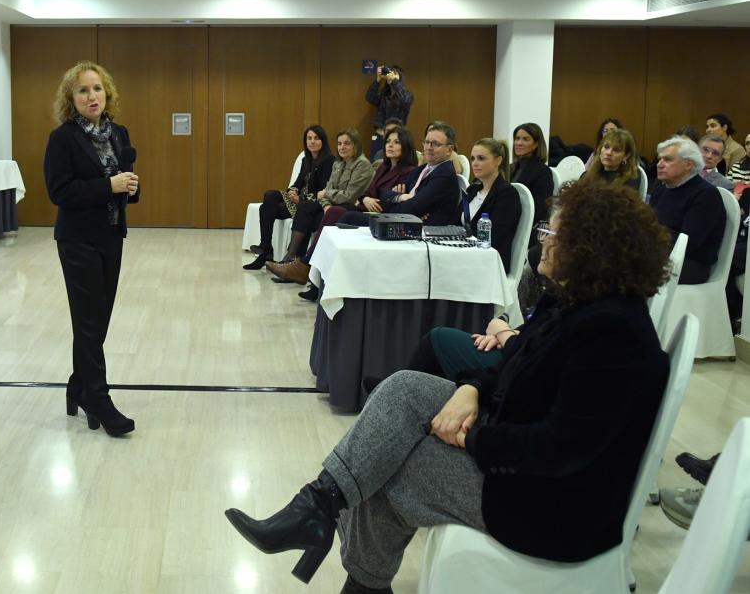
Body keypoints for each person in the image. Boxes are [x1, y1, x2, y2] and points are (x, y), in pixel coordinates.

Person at [224, 182, 671, 593]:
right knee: (404, 388)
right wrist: (472, 389)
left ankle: (347, 562)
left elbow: (560, 448)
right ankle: (318, 507)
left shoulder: (613, 335)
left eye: (552, 231)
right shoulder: (580, 304)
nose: (544, 238)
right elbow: (513, 364)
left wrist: (472, 437)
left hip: (558, 509)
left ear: (588, 247)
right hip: (528, 464)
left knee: (391, 470)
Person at [44, 61, 140, 437]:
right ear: (72, 98)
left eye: (97, 88)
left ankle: (77, 385)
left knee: (97, 322)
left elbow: (123, 183)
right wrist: (109, 187)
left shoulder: (119, 133)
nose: (91, 96)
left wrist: (131, 187)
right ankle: (97, 397)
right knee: (88, 322)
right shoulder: (63, 138)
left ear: (107, 92)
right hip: (77, 239)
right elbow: (60, 192)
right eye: (82, 90)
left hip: (112, 236)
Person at [273, 127, 418, 296]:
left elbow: (375, 198)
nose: (390, 145)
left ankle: (305, 266)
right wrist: (365, 199)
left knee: (331, 212)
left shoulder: (408, 171)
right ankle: (309, 275)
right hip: (362, 207)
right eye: (388, 141)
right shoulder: (383, 167)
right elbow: (365, 193)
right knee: (316, 212)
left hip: (381, 216)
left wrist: (375, 197)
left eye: (396, 142)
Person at [266, 128, 371, 275]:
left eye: (347, 143)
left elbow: (348, 196)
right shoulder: (338, 164)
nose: (342, 147)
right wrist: (326, 203)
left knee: (308, 212)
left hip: (349, 209)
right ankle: (293, 262)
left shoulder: (362, 165)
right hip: (332, 207)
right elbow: (324, 195)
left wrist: (327, 195)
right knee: (305, 209)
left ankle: (296, 264)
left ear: (356, 145)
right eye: (340, 143)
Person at [244, 126, 335, 270]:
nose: (312, 142)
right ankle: (266, 247)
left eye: (316, 138)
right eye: (309, 138)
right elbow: (297, 182)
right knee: (269, 197)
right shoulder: (307, 159)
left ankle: (266, 252)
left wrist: (301, 198)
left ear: (323, 141)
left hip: (311, 202)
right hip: (298, 200)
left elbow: (323, 189)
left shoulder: (329, 160)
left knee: (267, 207)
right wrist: (293, 191)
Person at [649, 136, 726, 285]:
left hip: (690, 265)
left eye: (668, 160)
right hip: (659, 253)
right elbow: (647, 223)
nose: (660, 164)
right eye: (660, 159)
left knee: (626, 266)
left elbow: (687, 244)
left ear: (688, 164)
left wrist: (647, 236)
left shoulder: (706, 195)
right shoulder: (662, 187)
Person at [461, 138, 521, 273]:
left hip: (488, 263)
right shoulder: (473, 189)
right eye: (473, 159)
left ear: (498, 161)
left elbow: (495, 238)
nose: (475, 164)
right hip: (467, 254)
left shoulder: (507, 194)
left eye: (481, 158)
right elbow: (454, 222)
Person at [510, 123, 554, 226]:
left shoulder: (543, 172)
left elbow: (540, 210)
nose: (519, 143)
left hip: (525, 226)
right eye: (517, 138)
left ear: (536, 144)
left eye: (525, 139)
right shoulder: (511, 168)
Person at [365, 65, 414, 157]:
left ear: (400, 78)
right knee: (375, 162)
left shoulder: (407, 95)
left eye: (395, 73)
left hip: (396, 137)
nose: (390, 75)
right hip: (379, 136)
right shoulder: (384, 96)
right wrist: (378, 80)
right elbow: (370, 97)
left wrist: (394, 81)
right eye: (390, 72)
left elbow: (406, 100)